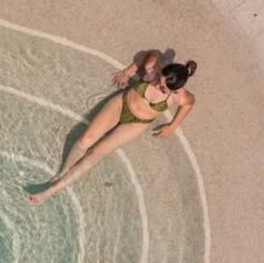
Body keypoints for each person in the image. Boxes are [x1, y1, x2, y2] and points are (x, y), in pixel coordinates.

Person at [28, 51, 197, 205]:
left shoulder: (180, 97)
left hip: (137, 122)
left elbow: (189, 103)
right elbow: (151, 54)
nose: (157, 84)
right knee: (84, 140)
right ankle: (63, 171)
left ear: (175, 90)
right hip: (122, 104)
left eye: (163, 88)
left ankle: (50, 191)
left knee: (96, 153)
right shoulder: (152, 69)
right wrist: (127, 73)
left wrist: (172, 126)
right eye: (159, 79)